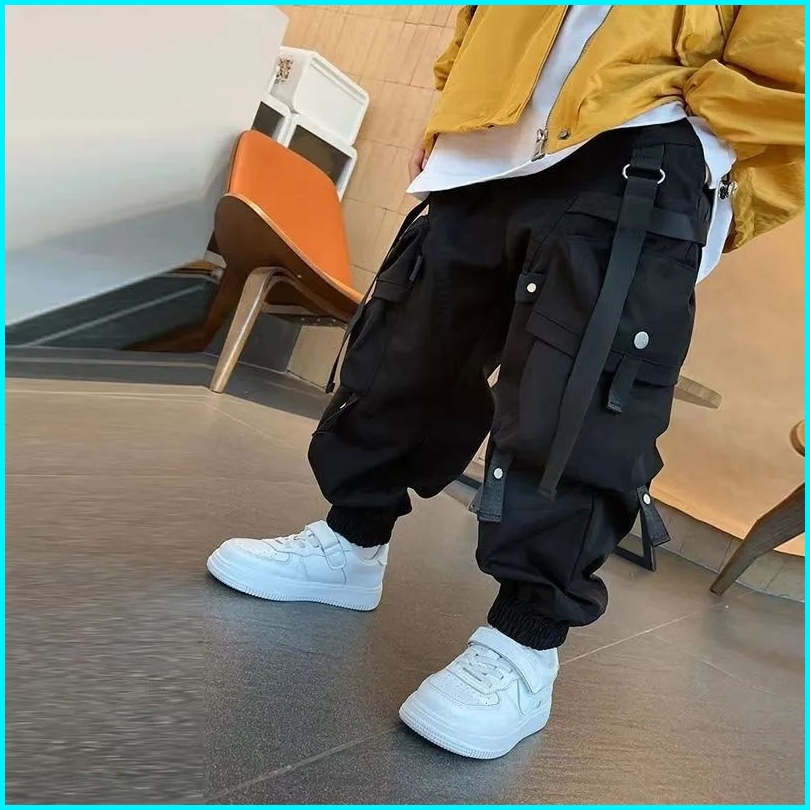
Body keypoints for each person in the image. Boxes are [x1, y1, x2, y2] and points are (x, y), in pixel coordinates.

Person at [207, 6, 804, 759]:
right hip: (488, 137)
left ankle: (525, 642)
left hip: (643, 143)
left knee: (577, 406)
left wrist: (686, 125)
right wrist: (455, 103)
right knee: (408, 352)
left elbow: (789, 52)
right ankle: (349, 543)